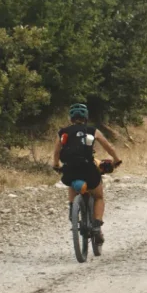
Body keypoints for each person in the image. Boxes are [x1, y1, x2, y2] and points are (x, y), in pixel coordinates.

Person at [53, 103, 121, 245]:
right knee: (98, 196)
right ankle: (96, 226)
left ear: (71, 118)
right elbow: (108, 146)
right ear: (86, 117)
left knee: (71, 180)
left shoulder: (63, 132)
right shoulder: (92, 130)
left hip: (70, 169)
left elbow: (56, 151)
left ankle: (73, 209)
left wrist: (56, 165)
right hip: (88, 168)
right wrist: (116, 160)